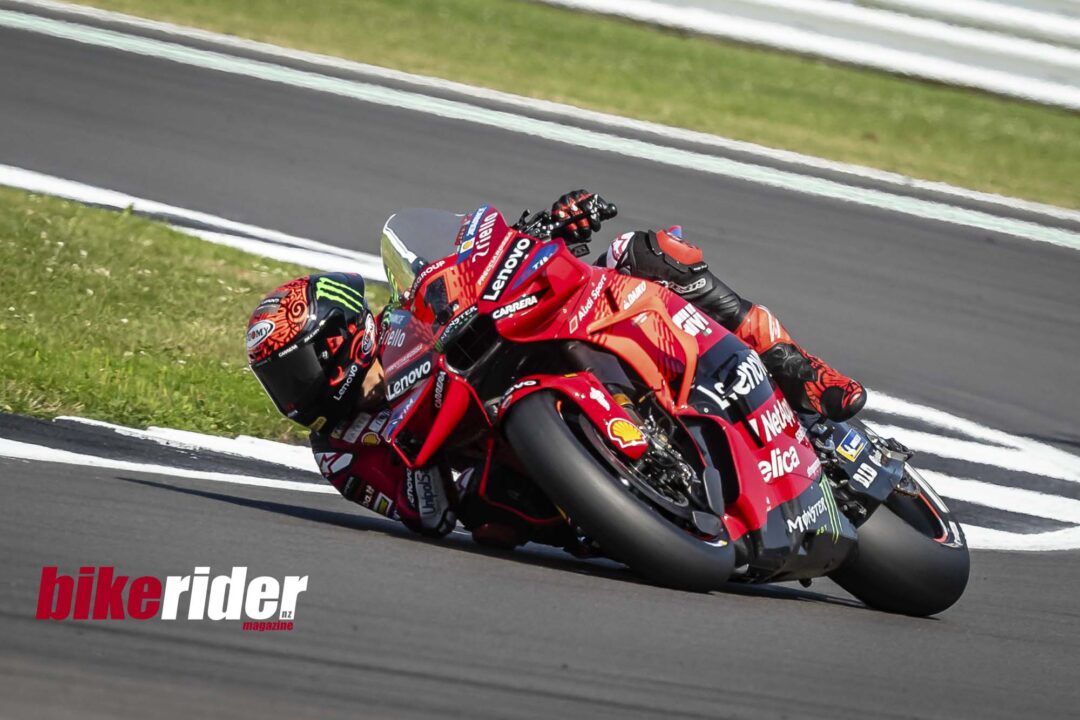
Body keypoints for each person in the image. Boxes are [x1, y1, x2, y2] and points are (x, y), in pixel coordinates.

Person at [245, 190, 866, 546]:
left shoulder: (401, 322)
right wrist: (417, 452)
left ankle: (795, 365)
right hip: (510, 472)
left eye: (292, 370)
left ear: (339, 341)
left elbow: (472, 270)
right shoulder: (338, 451)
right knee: (491, 524)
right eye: (279, 380)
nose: (291, 394)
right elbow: (425, 513)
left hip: (522, 356)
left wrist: (546, 227)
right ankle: (630, 510)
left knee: (646, 254)